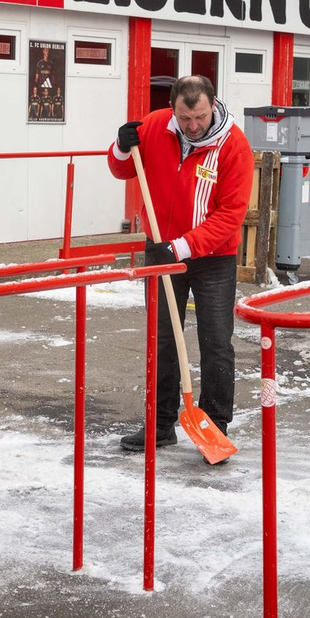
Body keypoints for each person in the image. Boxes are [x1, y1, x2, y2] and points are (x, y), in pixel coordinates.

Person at [107, 75, 253, 453]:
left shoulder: (233, 145)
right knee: (163, 339)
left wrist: (183, 247)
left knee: (216, 341)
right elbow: (122, 169)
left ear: (213, 105)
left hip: (213, 257)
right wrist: (121, 148)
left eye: (200, 117)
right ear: (174, 108)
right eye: (185, 118)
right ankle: (160, 423)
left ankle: (215, 424)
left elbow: (229, 216)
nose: (192, 126)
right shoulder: (156, 125)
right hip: (160, 248)